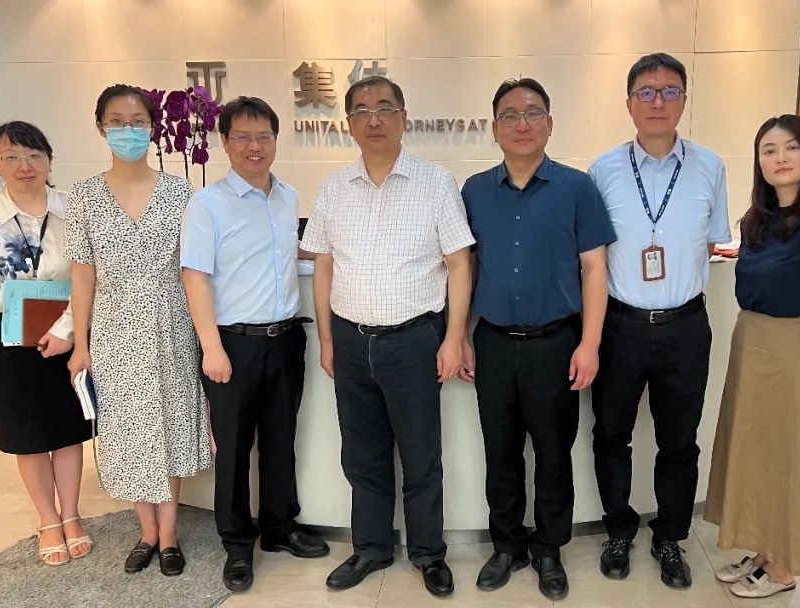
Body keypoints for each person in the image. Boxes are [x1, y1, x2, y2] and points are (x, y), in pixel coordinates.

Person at [300, 75, 474, 597]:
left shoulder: (435, 183)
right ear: (349, 123)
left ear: (403, 117)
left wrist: (453, 338)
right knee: (362, 456)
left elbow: (459, 264)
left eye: (384, 108)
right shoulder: (334, 187)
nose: (373, 119)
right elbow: (324, 267)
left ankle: (428, 554)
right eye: (361, 110)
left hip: (414, 341)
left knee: (421, 458)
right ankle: (371, 549)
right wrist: (328, 340)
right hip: (351, 342)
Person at [460, 78, 615, 601]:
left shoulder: (577, 188)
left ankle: (549, 548)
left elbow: (595, 269)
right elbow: (467, 269)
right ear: (494, 128)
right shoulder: (475, 191)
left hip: (556, 344)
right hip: (494, 343)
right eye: (509, 114)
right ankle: (507, 546)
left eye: (532, 113)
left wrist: (589, 344)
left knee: (553, 454)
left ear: (549, 122)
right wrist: (461, 335)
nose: (521, 123)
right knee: (500, 452)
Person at [588, 52, 733, 589]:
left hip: (685, 326)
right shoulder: (602, 170)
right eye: (645, 92)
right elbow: (592, 257)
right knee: (611, 435)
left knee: (679, 440)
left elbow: (714, 242)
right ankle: (619, 531)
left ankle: (670, 536)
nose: (657, 101)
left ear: (684, 101)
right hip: (620, 326)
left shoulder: (709, 167)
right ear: (628, 103)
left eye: (670, 91)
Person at [181, 96, 329, 593]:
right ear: (224, 142)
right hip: (233, 344)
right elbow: (194, 276)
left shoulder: (287, 196)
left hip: (285, 338)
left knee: (281, 439)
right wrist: (211, 348)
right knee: (233, 449)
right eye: (242, 136)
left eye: (264, 135)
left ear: (275, 140)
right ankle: (238, 544)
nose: (254, 146)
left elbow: (297, 253)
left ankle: (280, 528)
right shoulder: (207, 204)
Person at [65, 84, 212, 577]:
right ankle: (145, 531)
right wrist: (81, 343)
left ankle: (168, 535)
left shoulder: (181, 192)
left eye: (137, 122)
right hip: (113, 329)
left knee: (168, 427)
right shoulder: (84, 196)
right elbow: (82, 273)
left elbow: (193, 270)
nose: (127, 131)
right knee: (128, 431)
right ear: (100, 127)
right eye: (117, 122)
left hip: (171, 324)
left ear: (152, 128)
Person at [704, 114, 800, 599]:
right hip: (752, 342)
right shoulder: (758, 219)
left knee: (787, 454)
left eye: (791, 147)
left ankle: (784, 566)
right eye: (769, 150)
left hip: (793, 347)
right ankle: (765, 549)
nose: (780, 158)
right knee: (756, 450)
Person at [0, 121, 94, 567]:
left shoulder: (76, 208)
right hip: (8, 335)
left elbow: (90, 274)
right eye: (11, 157)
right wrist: (7, 310)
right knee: (26, 433)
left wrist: (67, 328)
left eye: (33, 155)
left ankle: (71, 514)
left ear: (50, 160)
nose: (24, 165)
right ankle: (48, 519)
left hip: (69, 328)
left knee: (68, 429)